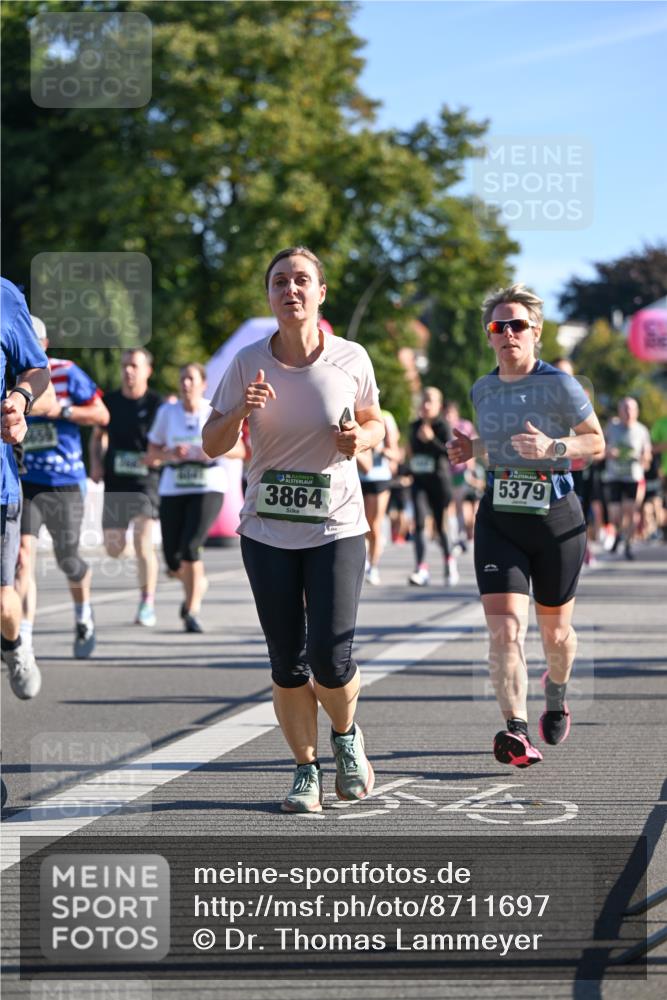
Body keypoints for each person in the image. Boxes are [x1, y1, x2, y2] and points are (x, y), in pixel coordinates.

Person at [202, 246, 384, 813]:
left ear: (320, 293)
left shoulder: (352, 357)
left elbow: (377, 421)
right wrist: (238, 412)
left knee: (331, 657)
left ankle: (346, 735)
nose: (291, 290)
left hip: (336, 525)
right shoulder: (247, 362)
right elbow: (212, 443)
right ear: (270, 295)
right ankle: (306, 770)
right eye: (279, 281)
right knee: (287, 659)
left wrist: (361, 440)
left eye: (302, 280)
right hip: (267, 530)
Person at [446, 283, 605, 767]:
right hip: (500, 519)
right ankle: (515, 729)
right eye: (499, 326)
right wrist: (471, 451)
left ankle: (554, 693)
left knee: (555, 637)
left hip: (556, 519)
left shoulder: (560, 385)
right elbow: (499, 445)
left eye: (518, 325)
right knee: (504, 631)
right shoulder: (483, 388)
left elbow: (595, 443)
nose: (508, 333)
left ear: (535, 331)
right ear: (489, 335)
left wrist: (554, 448)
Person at [15, 317, 109, 661]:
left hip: (65, 482)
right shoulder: (8, 375)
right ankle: (23, 637)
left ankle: (84, 615)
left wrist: (62, 410)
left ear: (44, 344)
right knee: (22, 558)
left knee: (67, 559)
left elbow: (102, 415)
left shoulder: (67, 372)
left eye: (32, 341)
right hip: (26, 481)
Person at [146, 364, 230, 632]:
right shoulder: (166, 412)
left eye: (191, 379)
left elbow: (240, 449)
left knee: (192, 547)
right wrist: (171, 454)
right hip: (173, 486)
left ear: (203, 384)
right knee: (172, 559)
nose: (185, 384)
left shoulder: (213, 411)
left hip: (208, 486)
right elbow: (152, 454)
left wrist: (210, 451)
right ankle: (198, 583)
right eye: (182, 379)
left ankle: (191, 610)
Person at [0, 278, 50, 699]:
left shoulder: (4, 296)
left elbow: (37, 369)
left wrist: (19, 399)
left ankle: (14, 644)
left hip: (0, 487)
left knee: (3, 605)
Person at [90, 349, 162, 626]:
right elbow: (97, 438)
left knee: (143, 542)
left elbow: (166, 437)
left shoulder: (157, 404)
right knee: (113, 548)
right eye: (124, 366)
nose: (128, 371)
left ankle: (147, 602)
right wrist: (95, 463)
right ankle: (139, 557)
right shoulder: (108, 402)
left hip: (146, 481)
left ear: (147, 370)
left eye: (134, 365)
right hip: (116, 481)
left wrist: (160, 454)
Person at [407, 386, 458, 586]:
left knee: (440, 526)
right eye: (423, 401)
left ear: (439, 405)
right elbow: (412, 454)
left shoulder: (443, 426)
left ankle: (449, 562)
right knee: (419, 523)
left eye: (430, 401)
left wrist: (432, 440)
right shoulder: (414, 426)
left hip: (440, 483)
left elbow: (450, 454)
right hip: (419, 482)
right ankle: (420, 568)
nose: (426, 405)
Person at [603, 397, 652, 560]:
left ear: (637, 412)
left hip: (633, 477)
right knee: (615, 514)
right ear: (620, 411)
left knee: (631, 512)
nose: (628, 412)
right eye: (625, 408)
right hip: (613, 476)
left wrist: (645, 457)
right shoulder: (611, 427)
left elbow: (648, 455)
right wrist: (608, 452)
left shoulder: (642, 430)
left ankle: (628, 544)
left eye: (631, 409)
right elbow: (600, 447)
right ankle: (617, 535)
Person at [358, 407, 400, 585]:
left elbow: (395, 453)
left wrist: (378, 449)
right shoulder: (352, 413)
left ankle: (373, 566)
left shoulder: (385, 417)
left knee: (374, 524)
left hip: (379, 478)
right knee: (361, 526)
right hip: (358, 478)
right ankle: (365, 561)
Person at [443, 399, 477, 550]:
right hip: (447, 472)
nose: (447, 416)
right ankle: (455, 537)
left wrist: (471, 470)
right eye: (445, 413)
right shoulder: (442, 427)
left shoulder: (465, 425)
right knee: (452, 505)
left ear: (455, 413)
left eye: (450, 413)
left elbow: (474, 446)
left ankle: (463, 535)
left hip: (462, 471)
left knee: (462, 504)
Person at [650, 411, 667, 541]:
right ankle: (664, 532)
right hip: (664, 471)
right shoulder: (660, 423)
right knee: (662, 503)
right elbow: (651, 448)